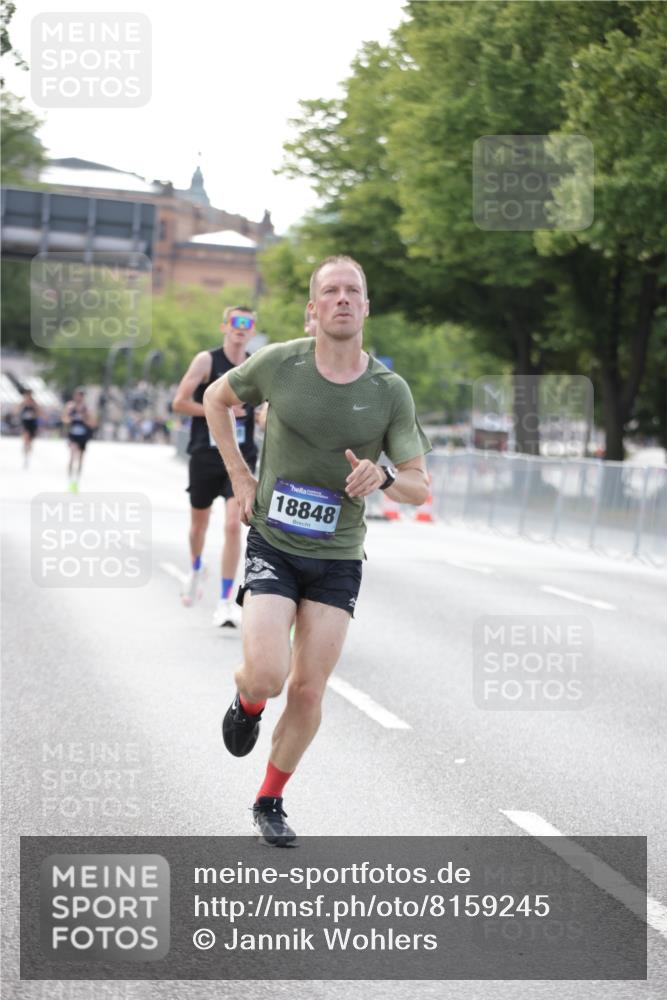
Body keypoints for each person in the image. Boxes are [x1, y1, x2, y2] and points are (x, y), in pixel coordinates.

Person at [204, 255, 431, 845]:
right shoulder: (281, 364)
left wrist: (381, 478)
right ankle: (248, 702)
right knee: (268, 675)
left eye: (352, 291)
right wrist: (242, 476)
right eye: (329, 291)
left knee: (308, 688)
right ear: (313, 310)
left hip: (337, 556)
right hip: (275, 543)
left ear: (365, 307)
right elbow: (213, 398)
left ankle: (270, 798)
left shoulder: (388, 391)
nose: (342, 299)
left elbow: (417, 485)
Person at [172, 306, 259, 627]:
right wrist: (218, 411)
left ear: (252, 331)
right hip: (206, 454)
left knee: (234, 525)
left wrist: (264, 416)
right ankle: (195, 567)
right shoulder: (206, 361)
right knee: (199, 525)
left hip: (242, 457)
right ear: (224, 326)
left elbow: (264, 408)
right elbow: (179, 402)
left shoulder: (255, 365)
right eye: (235, 322)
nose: (240, 327)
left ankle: (225, 601)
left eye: (247, 323)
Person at [62, 388, 94, 492]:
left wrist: (84, 418)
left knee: (80, 458)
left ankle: (77, 480)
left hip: (83, 436)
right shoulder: (70, 406)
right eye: (78, 395)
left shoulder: (87, 409)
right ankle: (70, 480)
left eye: (81, 395)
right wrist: (70, 419)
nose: (79, 397)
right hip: (73, 435)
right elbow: (64, 419)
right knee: (72, 455)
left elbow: (92, 423)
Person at [18, 389, 40, 468]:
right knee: (26, 438)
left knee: (30, 442)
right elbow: (16, 410)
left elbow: (39, 413)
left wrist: (34, 413)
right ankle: (25, 456)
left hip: (32, 424)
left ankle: (28, 455)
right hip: (25, 424)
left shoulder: (34, 403)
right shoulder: (23, 403)